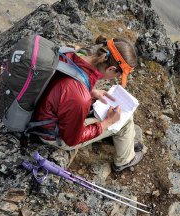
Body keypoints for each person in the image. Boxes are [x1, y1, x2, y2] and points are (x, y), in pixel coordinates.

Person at [33, 36, 145, 172]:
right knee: (125, 119)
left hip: (43, 109)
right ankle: (125, 160)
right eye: (118, 75)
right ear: (111, 69)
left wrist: (91, 92)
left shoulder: (73, 54)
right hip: (52, 133)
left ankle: (117, 138)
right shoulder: (79, 96)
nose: (115, 79)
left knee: (111, 114)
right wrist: (108, 122)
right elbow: (72, 139)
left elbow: (64, 87)